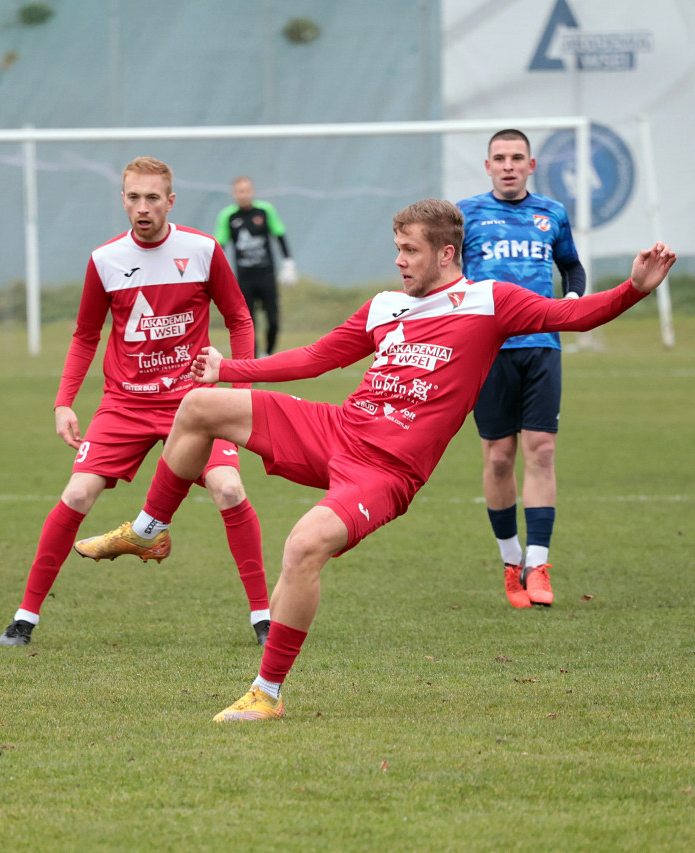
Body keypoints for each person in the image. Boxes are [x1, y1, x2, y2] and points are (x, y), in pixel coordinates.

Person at [81, 198, 673, 721]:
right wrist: (229, 370)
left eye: (409, 251)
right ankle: (150, 531)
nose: (399, 261)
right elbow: (317, 358)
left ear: (446, 254)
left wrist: (635, 289)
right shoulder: (386, 305)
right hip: (336, 428)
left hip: (384, 471)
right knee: (201, 405)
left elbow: (571, 315)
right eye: (397, 249)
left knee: (303, 544)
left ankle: (266, 691)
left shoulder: (492, 302)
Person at [0, 156, 271, 648]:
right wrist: (64, 401)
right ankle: (24, 618)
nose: (142, 208)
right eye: (133, 197)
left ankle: (263, 618)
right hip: (124, 404)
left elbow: (240, 319)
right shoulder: (105, 260)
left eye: (152, 198)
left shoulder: (203, 250)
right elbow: (85, 336)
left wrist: (240, 390)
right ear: (122, 199)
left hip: (195, 404)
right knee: (77, 495)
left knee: (229, 489)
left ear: (170, 200)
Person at [457, 129, 586, 609]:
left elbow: (571, 266)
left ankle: (538, 564)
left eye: (517, 158)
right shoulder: (464, 214)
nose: (508, 165)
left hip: (542, 346)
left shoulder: (551, 212)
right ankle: (511, 563)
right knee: (498, 458)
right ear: (487, 166)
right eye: (499, 158)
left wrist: (571, 300)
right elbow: (444, 272)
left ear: (531, 165)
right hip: (487, 349)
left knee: (543, 451)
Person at [214, 176, 298, 357]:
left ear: (252, 191)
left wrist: (288, 263)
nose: (242, 195)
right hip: (244, 278)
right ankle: (254, 361)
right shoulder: (228, 216)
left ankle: (267, 352)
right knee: (248, 322)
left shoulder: (265, 211)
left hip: (266, 275)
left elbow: (280, 235)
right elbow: (219, 246)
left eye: (246, 191)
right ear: (234, 194)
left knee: (273, 320)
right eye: (239, 191)